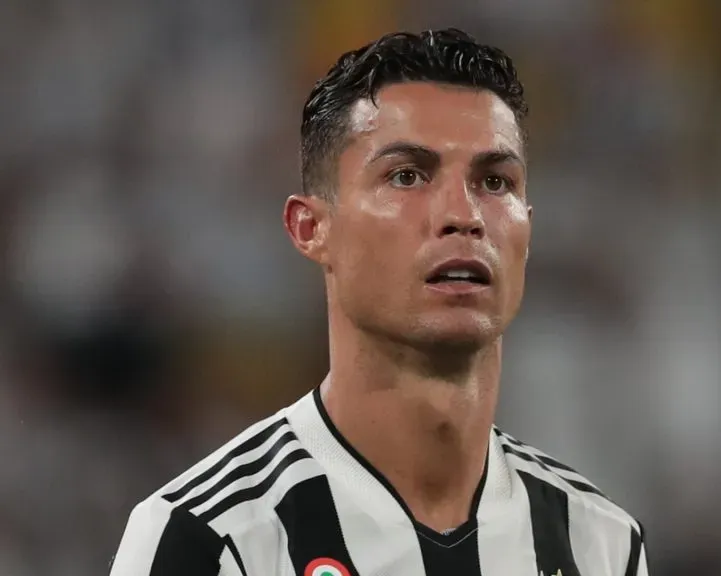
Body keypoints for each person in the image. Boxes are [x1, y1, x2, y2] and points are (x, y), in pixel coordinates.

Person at [110, 28, 648, 576]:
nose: (462, 215)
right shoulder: (208, 539)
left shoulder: (598, 543)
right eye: (407, 175)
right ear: (312, 228)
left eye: (494, 181)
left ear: (528, 232)